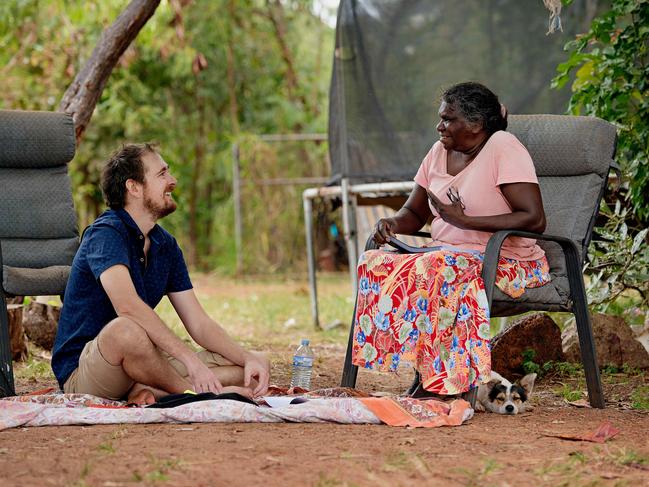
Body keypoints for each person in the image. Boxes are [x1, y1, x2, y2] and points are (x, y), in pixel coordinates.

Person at [351, 82, 551, 397]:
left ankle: (446, 384)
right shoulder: (437, 152)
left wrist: (466, 221)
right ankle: (427, 374)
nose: (439, 126)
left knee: (439, 268)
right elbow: (414, 214)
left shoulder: (502, 146)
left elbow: (534, 218)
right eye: (440, 118)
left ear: (476, 124)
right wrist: (390, 222)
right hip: (447, 255)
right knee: (376, 262)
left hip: (506, 261)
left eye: (448, 119)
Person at [52, 143, 270, 405]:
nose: (172, 180)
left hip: (143, 364)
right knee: (126, 330)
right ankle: (195, 393)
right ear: (133, 187)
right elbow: (128, 307)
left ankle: (149, 391)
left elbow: (199, 323)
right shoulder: (106, 234)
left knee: (255, 366)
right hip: (88, 372)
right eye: (162, 174)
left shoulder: (164, 245)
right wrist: (191, 362)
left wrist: (247, 358)